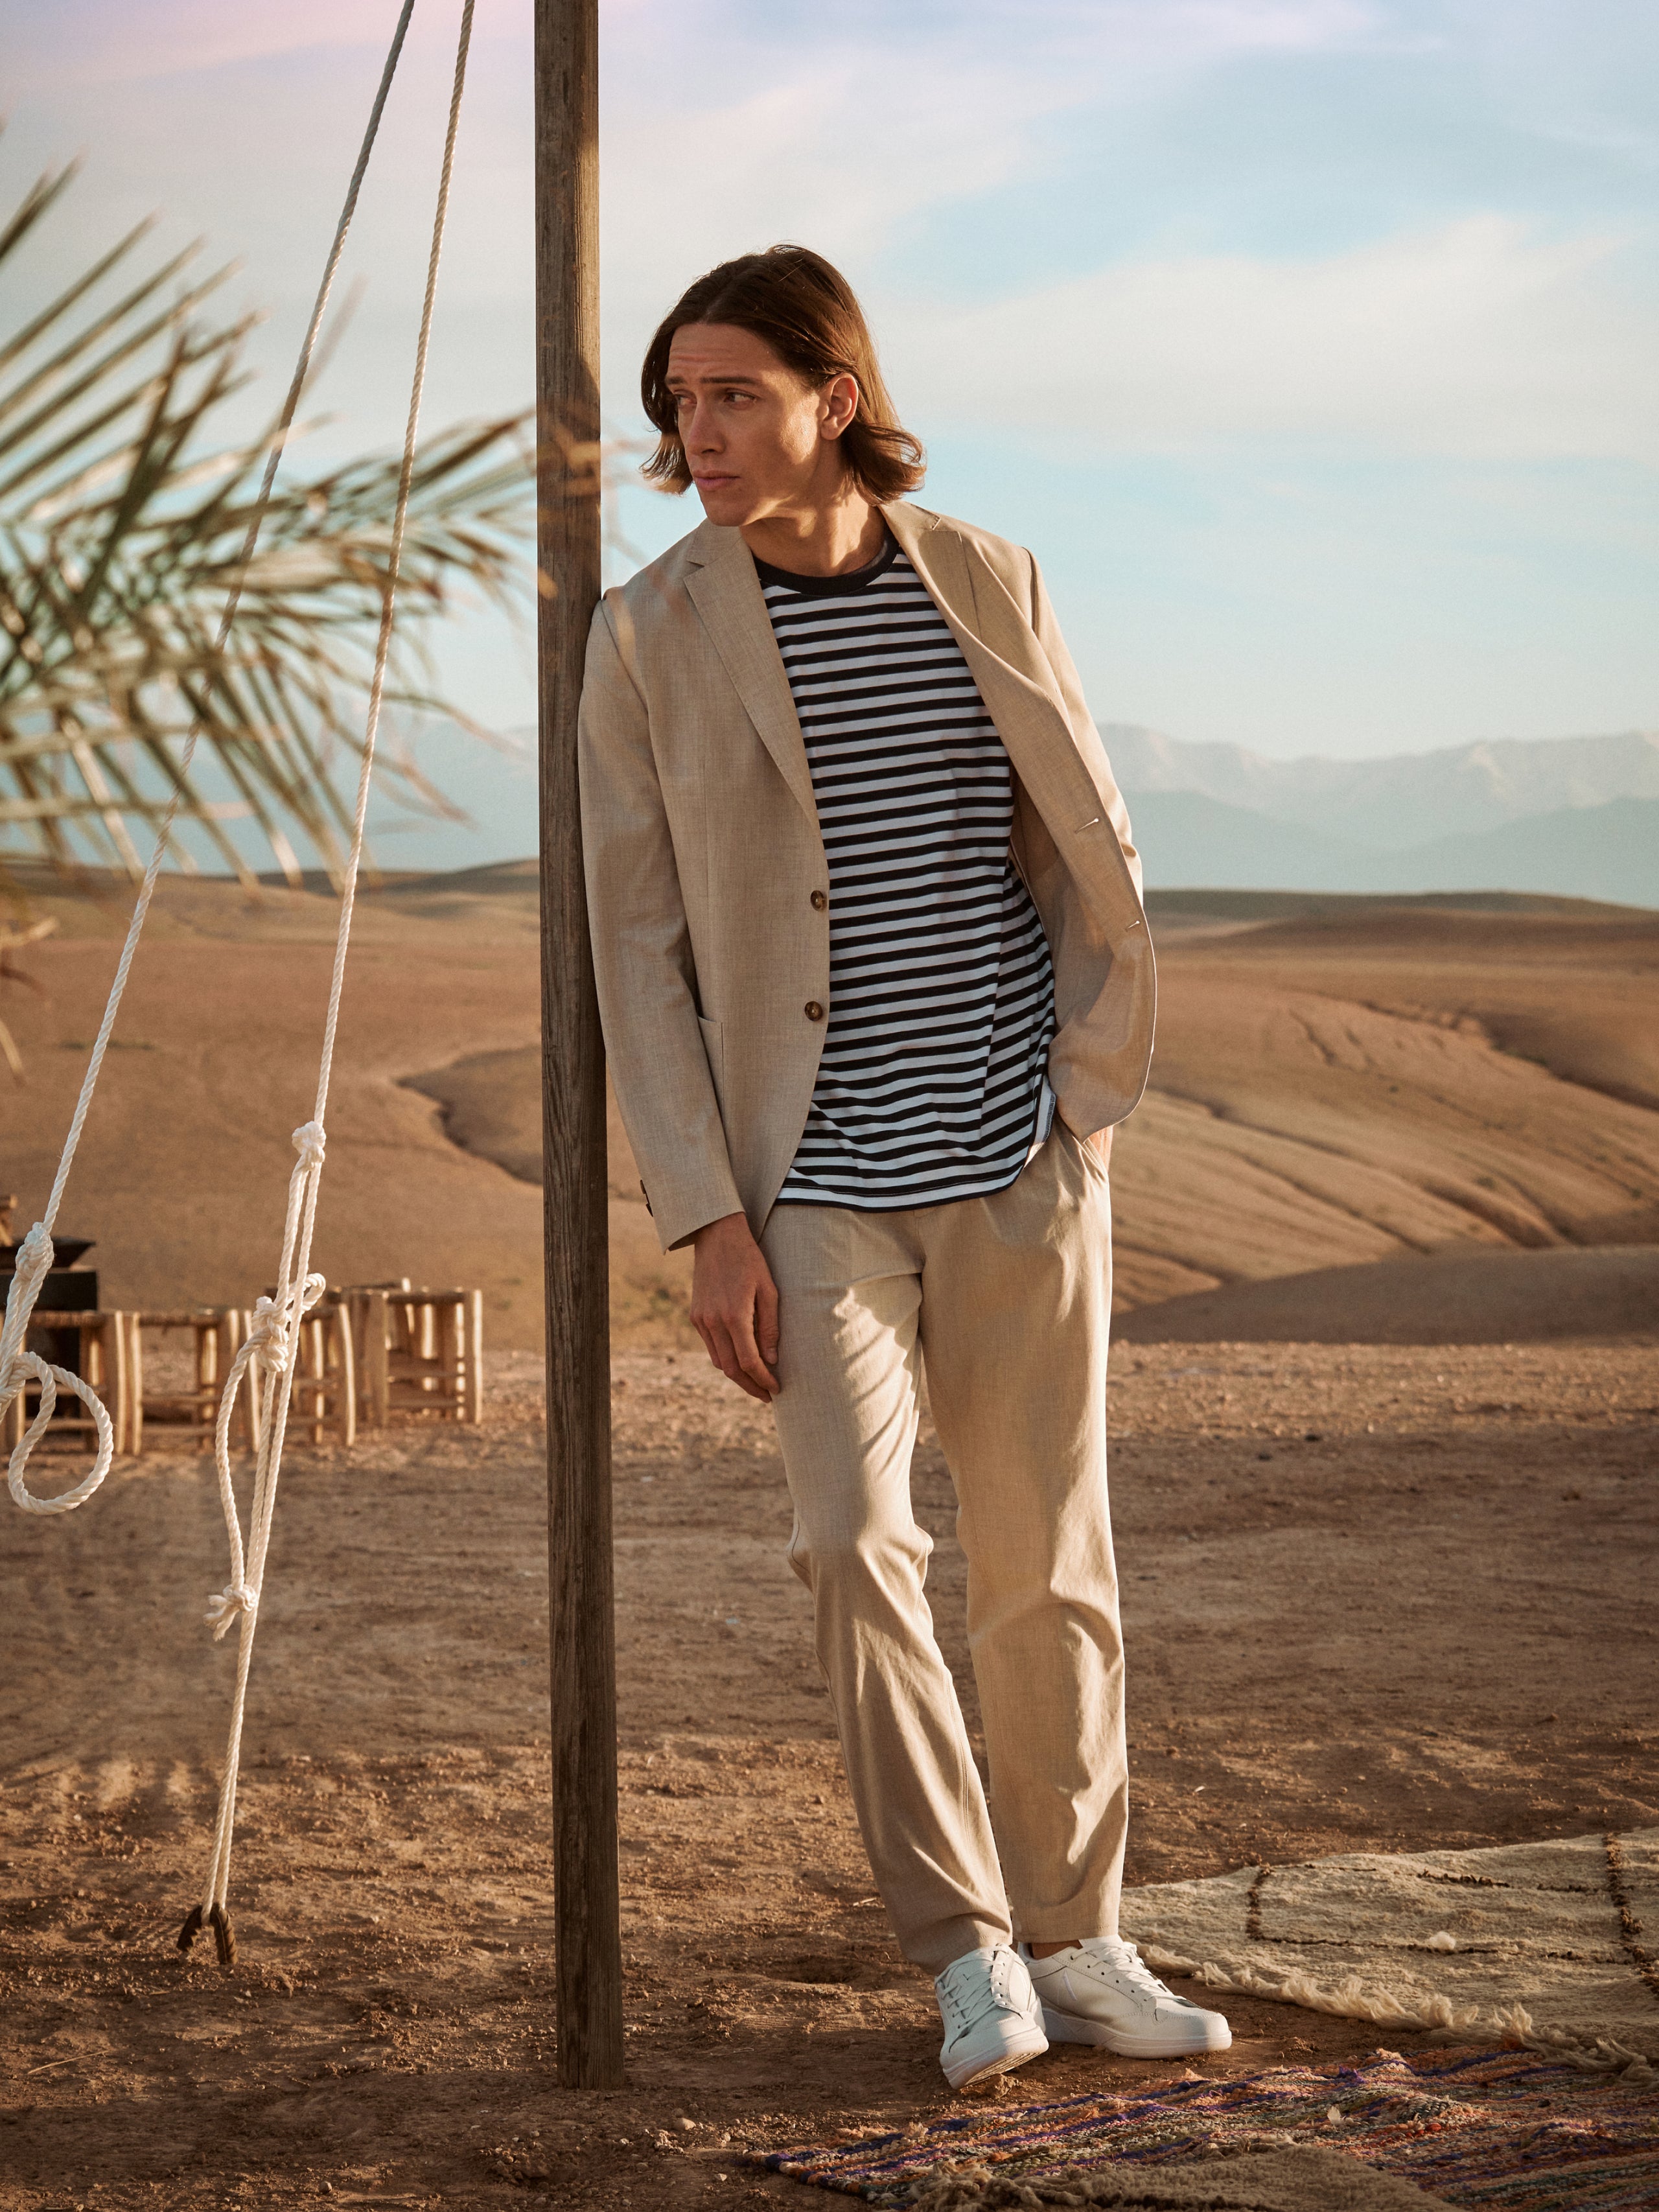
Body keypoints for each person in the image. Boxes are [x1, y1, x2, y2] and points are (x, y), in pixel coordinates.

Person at [577, 245, 1231, 2090]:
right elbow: (639, 949)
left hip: (1016, 1148)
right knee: (856, 1542)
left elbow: (1075, 832)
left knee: (1049, 1568)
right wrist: (709, 1213)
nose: (695, 433)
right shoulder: (645, 635)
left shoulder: (987, 580)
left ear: (834, 399)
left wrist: (1085, 1101)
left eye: (729, 395)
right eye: (678, 403)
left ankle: (1083, 1936)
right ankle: (967, 1952)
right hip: (815, 1179)